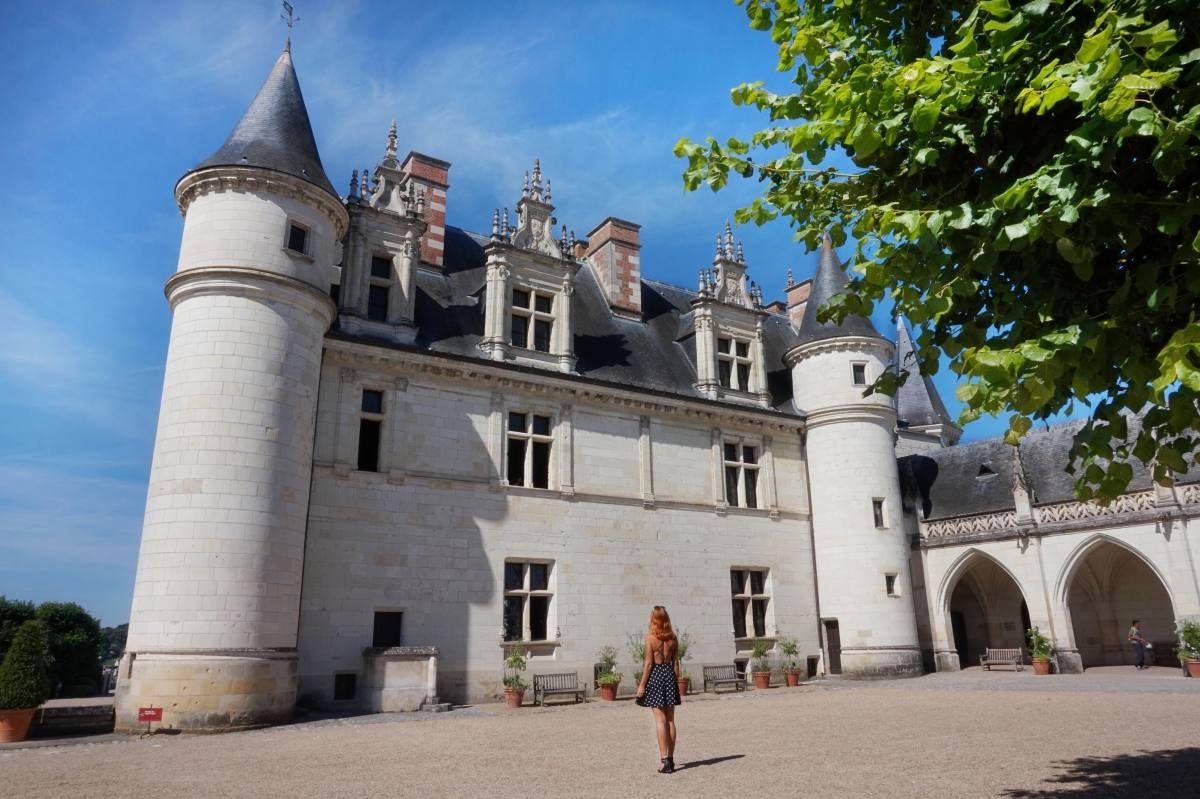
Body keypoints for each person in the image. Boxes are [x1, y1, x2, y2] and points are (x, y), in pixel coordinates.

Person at [635, 605, 682, 773]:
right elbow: (676, 662)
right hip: (669, 675)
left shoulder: (650, 638)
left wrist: (642, 684)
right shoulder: (673, 638)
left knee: (660, 721)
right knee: (670, 720)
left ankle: (664, 761)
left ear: (653, 619)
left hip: (656, 676)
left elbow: (648, 663)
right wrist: (675, 681)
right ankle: (671, 759)